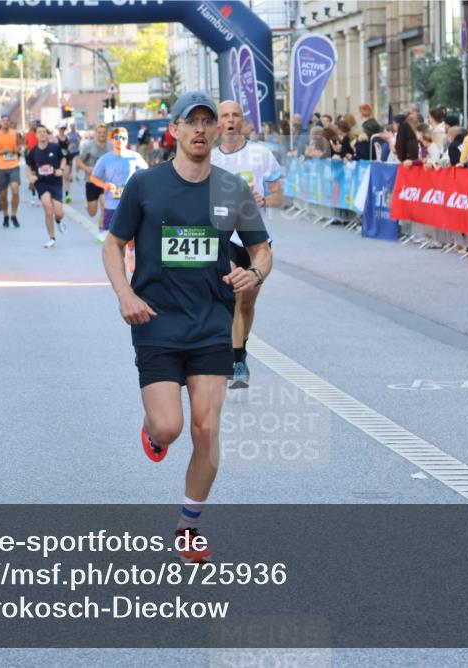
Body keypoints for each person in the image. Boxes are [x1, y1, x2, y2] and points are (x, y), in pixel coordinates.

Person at [101, 91, 271, 563]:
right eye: (190, 121)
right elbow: (114, 245)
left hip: (212, 324)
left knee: (206, 428)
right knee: (171, 427)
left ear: (219, 131)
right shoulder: (145, 185)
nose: (200, 129)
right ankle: (154, 430)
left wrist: (253, 274)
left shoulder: (232, 190)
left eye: (208, 121)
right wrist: (125, 295)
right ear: (173, 130)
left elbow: (262, 249)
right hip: (155, 322)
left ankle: (188, 526)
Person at [211, 99, 282, 388]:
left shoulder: (261, 154)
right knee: (234, 298)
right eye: (225, 116)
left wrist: (265, 199)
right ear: (218, 123)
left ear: (243, 121)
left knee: (247, 303)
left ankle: (241, 348)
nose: (230, 120)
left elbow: (280, 197)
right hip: (225, 238)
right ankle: (237, 359)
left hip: (256, 240)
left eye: (235, 115)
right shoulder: (210, 159)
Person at [91, 126, 147, 243]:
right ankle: (117, 260)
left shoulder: (135, 157)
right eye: (116, 137)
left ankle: (129, 259)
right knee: (112, 241)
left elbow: (146, 173)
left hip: (130, 204)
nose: (119, 140)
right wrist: (105, 185)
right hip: (111, 205)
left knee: (131, 239)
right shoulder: (105, 159)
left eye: (123, 138)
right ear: (111, 140)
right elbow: (93, 177)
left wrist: (137, 186)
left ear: (126, 141)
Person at [25, 125, 68, 248]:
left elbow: (64, 159)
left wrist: (61, 169)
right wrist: (30, 176)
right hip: (42, 182)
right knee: (48, 207)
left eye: (44, 132)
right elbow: (28, 166)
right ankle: (51, 238)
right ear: (36, 135)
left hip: (55, 181)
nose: (42, 134)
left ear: (47, 134)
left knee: (59, 213)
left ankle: (58, 221)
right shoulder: (33, 151)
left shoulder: (55, 148)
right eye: (40, 132)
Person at [76, 123, 111, 222]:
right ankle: (87, 203)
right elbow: (78, 161)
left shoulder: (111, 147)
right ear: (96, 134)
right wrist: (87, 168)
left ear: (107, 134)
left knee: (105, 205)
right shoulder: (89, 146)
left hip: (106, 181)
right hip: (91, 181)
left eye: (104, 132)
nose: (102, 134)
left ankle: (102, 232)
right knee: (92, 213)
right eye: (99, 132)